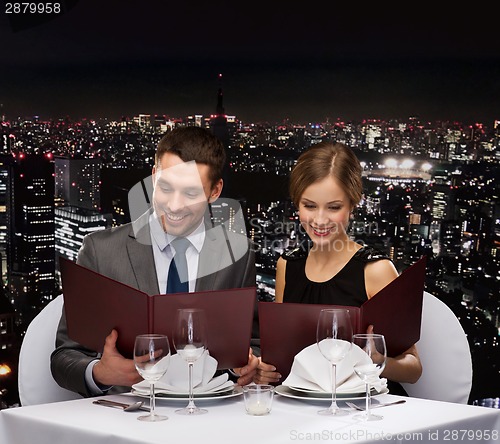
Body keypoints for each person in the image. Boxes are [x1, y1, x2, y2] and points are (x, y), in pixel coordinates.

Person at [51, 126, 259, 397]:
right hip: (128, 420)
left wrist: (247, 365)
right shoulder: (100, 251)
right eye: (165, 187)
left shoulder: (238, 255)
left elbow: (252, 344)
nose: (174, 205)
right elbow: (63, 357)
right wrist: (100, 373)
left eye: (191, 193)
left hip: (208, 417)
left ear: (215, 191)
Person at [254, 141, 422, 393]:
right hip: (299, 408)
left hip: (361, 411)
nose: (320, 220)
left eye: (334, 207)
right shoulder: (286, 266)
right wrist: (265, 369)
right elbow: (281, 356)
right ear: (297, 204)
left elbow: (414, 369)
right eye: (309, 206)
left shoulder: (376, 270)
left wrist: (377, 362)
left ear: (352, 205)